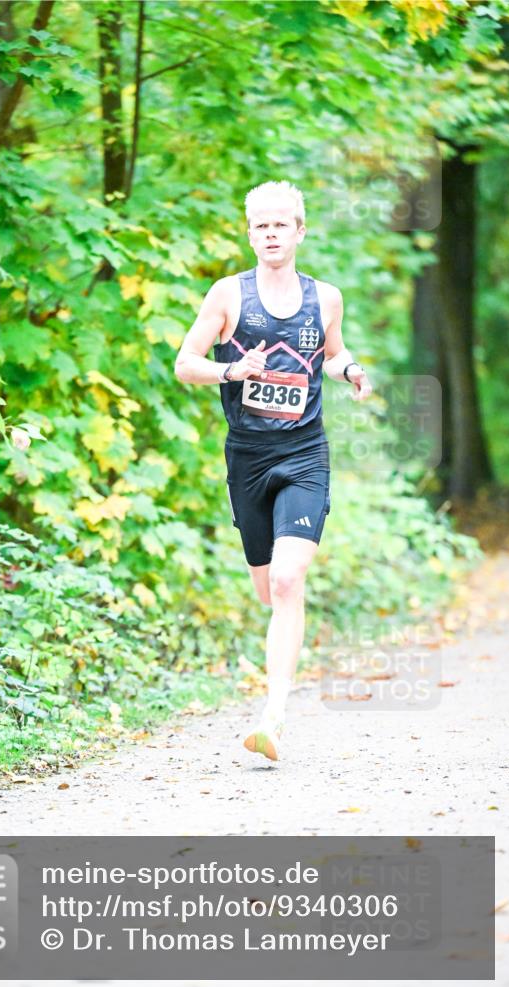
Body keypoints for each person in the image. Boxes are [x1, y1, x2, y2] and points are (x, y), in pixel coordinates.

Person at [174, 181, 372, 761]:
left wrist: (352, 369)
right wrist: (232, 372)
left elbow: (331, 356)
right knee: (268, 588)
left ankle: (274, 716)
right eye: (260, 225)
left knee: (288, 579)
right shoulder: (228, 295)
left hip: (305, 452)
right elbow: (186, 364)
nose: (271, 234)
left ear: (300, 230)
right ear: (250, 232)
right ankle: (278, 677)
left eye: (281, 224)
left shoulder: (325, 298)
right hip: (248, 457)